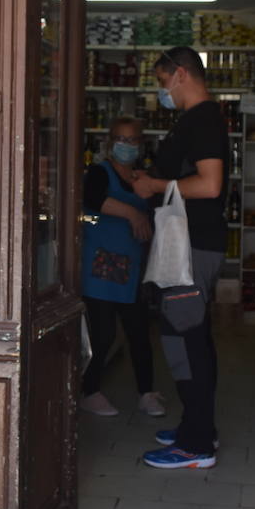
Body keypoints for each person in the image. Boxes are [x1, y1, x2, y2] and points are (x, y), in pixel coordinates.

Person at [130, 47, 229, 469]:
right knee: (192, 337)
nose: (160, 89)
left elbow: (209, 185)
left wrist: (154, 186)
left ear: (181, 74)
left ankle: (196, 446)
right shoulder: (196, 120)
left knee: (183, 341)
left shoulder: (203, 119)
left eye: (161, 79)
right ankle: (198, 425)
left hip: (190, 247)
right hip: (187, 243)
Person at [80, 117, 165, 418]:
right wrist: (131, 213)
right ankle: (89, 391)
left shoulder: (144, 179)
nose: (126, 146)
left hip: (133, 269)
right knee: (102, 334)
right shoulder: (99, 173)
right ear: (109, 141)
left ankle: (147, 392)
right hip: (101, 267)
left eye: (132, 140)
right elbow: (91, 199)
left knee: (140, 333)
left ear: (142, 144)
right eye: (121, 139)